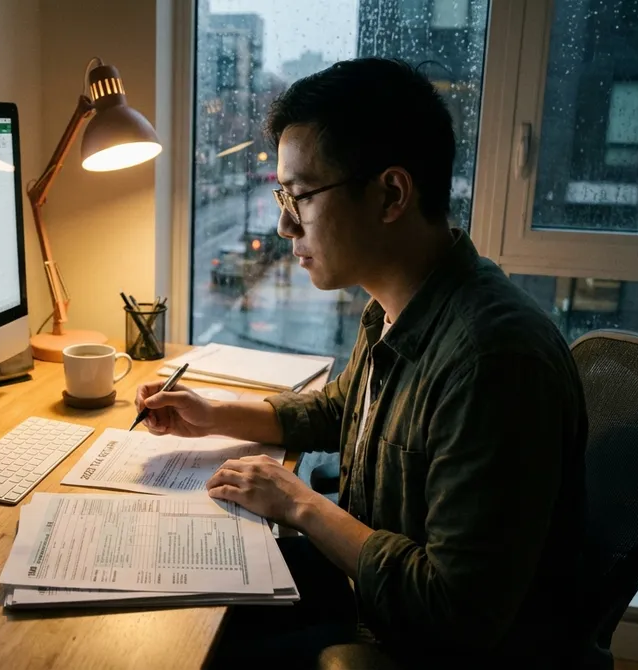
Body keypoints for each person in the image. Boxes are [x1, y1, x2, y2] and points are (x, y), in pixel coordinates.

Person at [136, 58, 587, 667]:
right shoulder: (398, 305)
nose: (284, 224)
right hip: (368, 593)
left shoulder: (492, 362)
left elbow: (455, 610)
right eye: (283, 196)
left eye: (300, 196)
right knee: (176, 594)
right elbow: (342, 410)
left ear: (391, 195)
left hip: (414, 643)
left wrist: (300, 504)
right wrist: (213, 412)